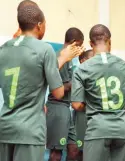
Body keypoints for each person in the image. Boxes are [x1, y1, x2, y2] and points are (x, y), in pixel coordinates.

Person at [0, 5, 81, 161]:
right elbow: (58, 92)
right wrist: (63, 58)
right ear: (39, 25)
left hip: (4, 128)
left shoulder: (3, 49)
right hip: (29, 130)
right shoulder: (44, 49)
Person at [71, 24, 125, 161]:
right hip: (122, 129)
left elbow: (77, 105)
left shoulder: (82, 69)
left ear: (90, 43)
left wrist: (92, 105)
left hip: (97, 129)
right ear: (110, 41)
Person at [46, 27, 84, 161]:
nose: (80, 50)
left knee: (73, 149)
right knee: (56, 154)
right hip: (57, 107)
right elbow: (60, 88)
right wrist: (81, 81)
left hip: (66, 109)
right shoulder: (60, 57)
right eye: (79, 45)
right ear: (73, 42)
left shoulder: (69, 60)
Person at [73, 49, 94, 161]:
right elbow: (76, 105)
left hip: (96, 119)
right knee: (79, 151)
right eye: (92, 58)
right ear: (83, 60)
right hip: (82, 116)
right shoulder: (78, 75)